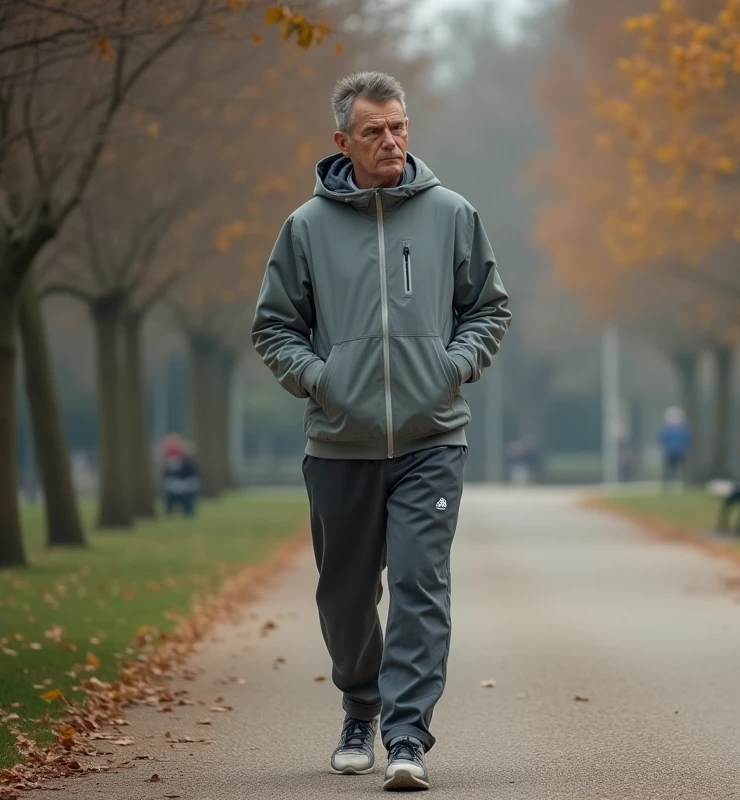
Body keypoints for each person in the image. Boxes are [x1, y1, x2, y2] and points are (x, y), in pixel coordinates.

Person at [250, 71, 511, 792]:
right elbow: (274, 328)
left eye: (398, 127)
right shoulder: (304, 227)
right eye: (374, 131)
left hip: (432, 438)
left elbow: (488, 308)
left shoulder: (451, 213)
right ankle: (359, 701)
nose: (390, 141)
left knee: (422, 584)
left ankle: (405, 736)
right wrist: (322, 378)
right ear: (343, 141)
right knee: (344, 595)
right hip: (339, 444)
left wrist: (452, 368)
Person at [159, 434, 200, 516]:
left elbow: (193, 476)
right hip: (176, 485)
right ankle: (172, 511)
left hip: (186, 485)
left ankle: (187, 511)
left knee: (186, 498)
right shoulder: (173, 462)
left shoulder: (188, 463)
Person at [658, 406, 691, 493]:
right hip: (670, 452)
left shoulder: (683, 428)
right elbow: (662, 439)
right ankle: (667, 486)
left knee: (678, 470)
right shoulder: (667, 428)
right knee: (669, 470)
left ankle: (679, 485)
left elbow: (687, 439)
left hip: (679, 452)